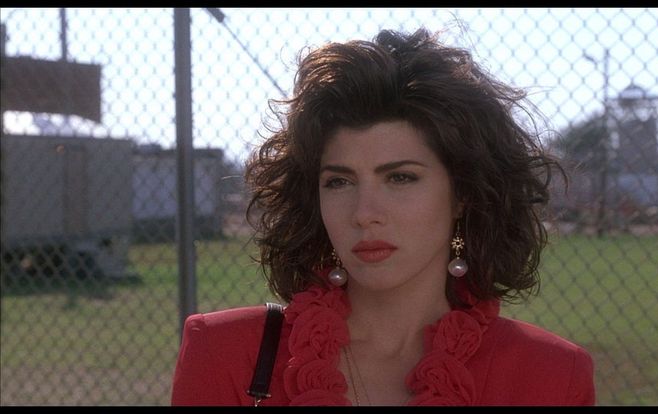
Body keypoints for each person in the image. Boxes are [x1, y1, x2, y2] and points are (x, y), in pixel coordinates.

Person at [171, 27, 595, 406]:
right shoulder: (224, 353)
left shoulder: (553, 376)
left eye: (401, 178)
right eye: (339, 182)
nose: (364, 214)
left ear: (463, 192)